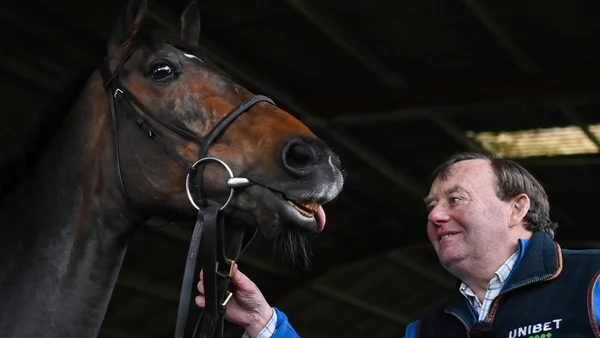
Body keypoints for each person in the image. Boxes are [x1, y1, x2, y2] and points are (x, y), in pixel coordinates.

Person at [195, 151, 600, 337]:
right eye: (432, 206)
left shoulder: (591, 283)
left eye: (455, 200)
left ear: (517, 209)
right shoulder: (427, 330)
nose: (435, 216)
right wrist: (262, 324)